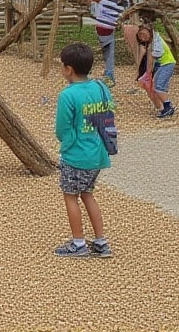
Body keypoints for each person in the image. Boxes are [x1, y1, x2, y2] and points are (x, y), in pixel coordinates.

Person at [52, 42, 113, 258]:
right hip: (98, 153)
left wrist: (66, 145)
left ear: (69, 69)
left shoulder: (67, 95)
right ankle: (101, 241)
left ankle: (78, 243)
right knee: (88, 194)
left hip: (76, 155)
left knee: (71, 196)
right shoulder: (101, 87)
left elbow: (62, 128)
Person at [135, 22, 177, 118]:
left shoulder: (155, 43)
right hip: (162, 64)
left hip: (167, 63)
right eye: (140, 35)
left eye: (144, 34)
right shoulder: (152, 41)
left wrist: (148, 73)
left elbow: (152, 58)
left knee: (159, 87)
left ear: (150, 33)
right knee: (156, 87)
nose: (142, 37)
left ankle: (168, 107)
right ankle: (165, 108)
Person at [89, 0, 127, 87]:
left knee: (107, 51)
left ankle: (107, 72)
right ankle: (109, 74)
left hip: (101, 27)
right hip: (109, 28)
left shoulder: (105, 0)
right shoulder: (122, 6)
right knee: (110, 52)